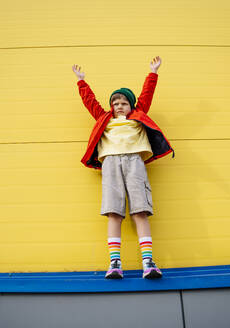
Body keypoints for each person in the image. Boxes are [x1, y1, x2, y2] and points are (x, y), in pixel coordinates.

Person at [72, 56, 174, 279]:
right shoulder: (104, 118)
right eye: (115, 103)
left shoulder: (138, 116)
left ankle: (148, 262)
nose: (119, 106)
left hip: (134, 162)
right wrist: (81, 82)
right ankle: (115, 263)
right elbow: (90, 102)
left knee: (140, 211)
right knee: (113, 213)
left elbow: (147, 95)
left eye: (124, 103)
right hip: (110, 163)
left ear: (131, 105)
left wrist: (153, 73)